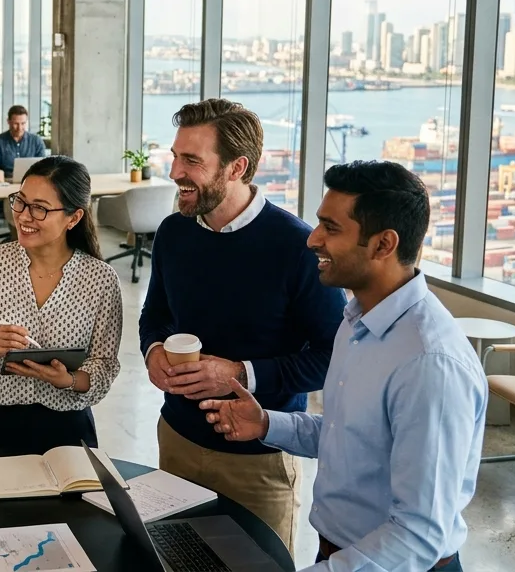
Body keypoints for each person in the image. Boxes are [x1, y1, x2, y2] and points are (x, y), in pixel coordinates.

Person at [201, 161, 486, 572]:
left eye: (331, 228)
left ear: (383, 244)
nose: (312, 240)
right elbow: (347, 433)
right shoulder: (356, 321)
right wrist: (265, 423)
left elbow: (420, 534)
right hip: (343, 556)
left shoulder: (430, 364)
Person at [140, 98, 344, 553]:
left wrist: (239, 373)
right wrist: (152, 350)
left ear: (237, 167)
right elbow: (155, 315)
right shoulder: (174, 231)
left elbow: (333, 357)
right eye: (175, 156)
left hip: (259, 461)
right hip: (176, 441)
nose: (175, 172)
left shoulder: (298, 248)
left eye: (192, 160)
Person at [0, 156, 122, 454]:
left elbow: (104, 366)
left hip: (68, 428)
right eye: (20, 201)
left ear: (74, 218)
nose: (23, 216)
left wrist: (68, 380)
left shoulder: (101, 279)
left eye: (40, 208)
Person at [0, 105, 45, 179]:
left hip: (31, 182)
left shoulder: (36, 141)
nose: (19, 128)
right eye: (16, 124)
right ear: (8, 121)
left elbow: (43, 167)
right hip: (5, 182)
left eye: (23, 123)